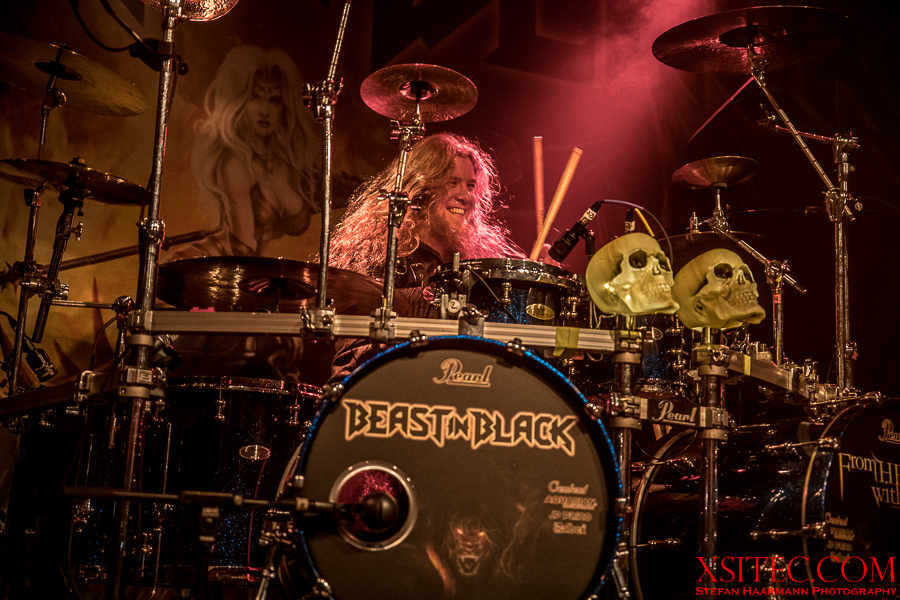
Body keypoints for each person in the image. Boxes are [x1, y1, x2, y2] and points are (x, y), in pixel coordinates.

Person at [327, 132, 526, 383]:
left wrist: (534, 290)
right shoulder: (381, 253)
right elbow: (357, 348)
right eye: (452, 182)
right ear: (423, 186)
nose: (465, 196)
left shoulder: (478, 264)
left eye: (470, 185)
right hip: (384, 386)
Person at [172, 45, 321, 259]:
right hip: (212, 260)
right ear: (240, 101)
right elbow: (243, 247)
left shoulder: (284, 162)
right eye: (255, 97)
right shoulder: (235, 165)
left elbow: (299, 219)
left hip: (253, 268)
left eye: (274, 100)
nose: (265, 110)